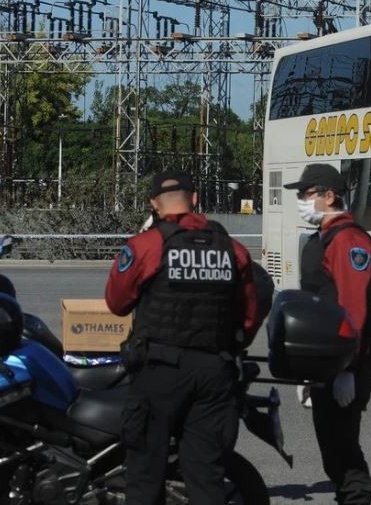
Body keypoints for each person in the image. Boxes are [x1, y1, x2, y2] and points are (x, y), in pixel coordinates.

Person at [105, 170, 261, 504]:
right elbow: (248, 316)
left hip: (159, 372)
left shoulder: (147, 246)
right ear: (195, 199)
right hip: (214, 374)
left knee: (146, 476)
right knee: (206, 478)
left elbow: (117, 304)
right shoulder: (233, 250)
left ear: (154, 205)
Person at [284, 163, 371, 504]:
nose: (301, 200)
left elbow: (352, 308)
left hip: (343, 363)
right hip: (324, 363)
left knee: (343, 453)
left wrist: (346, 369)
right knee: (332, 451)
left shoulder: (348, 241)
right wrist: (307, 369)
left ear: (330, 196)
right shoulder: (323, 238)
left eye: (307, 194)